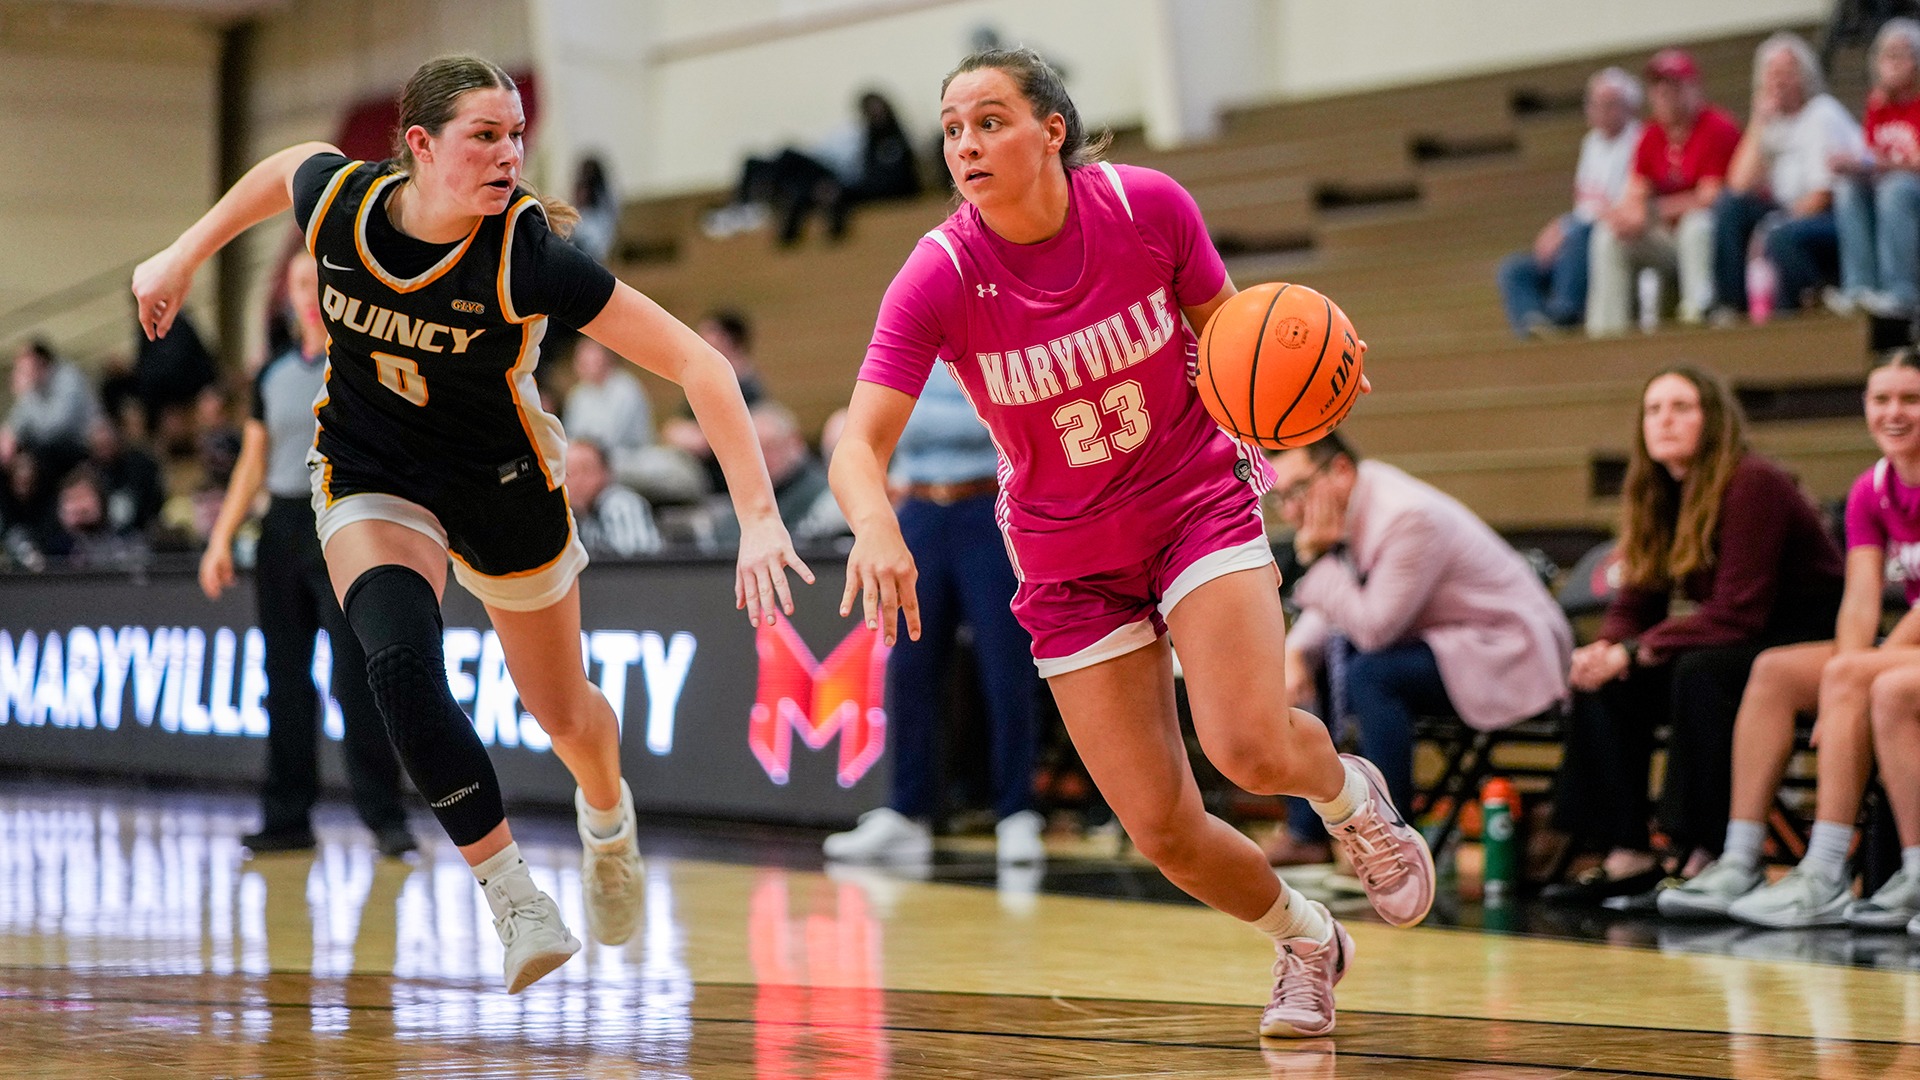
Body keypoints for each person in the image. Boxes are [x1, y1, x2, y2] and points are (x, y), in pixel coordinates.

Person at [132, 55, 810, 993]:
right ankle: (514, 898)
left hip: (500, 485)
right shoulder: (342, 206)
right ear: (419, 145)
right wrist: (180, 256)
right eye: (485, 136)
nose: (508, 155)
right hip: (371, 471)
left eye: (516, 136)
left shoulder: (525, 258)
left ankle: (607, 815)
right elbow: (287, 166)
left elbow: (700, 365)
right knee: (398, 665)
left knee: (562, 711)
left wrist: (760, 517)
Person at [829, 47, 1433, 1039]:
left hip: (1194, 500)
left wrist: (1310, 383)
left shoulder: (1145, 207)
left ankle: (1347, 798)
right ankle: (1307, 940)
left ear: (1051, 130)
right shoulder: (940, 272)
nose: (966, 144)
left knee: (1246, 745)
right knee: (1164, 830)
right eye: (952, 129)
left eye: (989, 121)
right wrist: (875, 524)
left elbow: (1239, 341)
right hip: (1069, 557)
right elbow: (858, 445)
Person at [1545, 366, 1844, 904]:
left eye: (1682, 407)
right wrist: (1606, 649)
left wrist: (1636, 651)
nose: (1665, 420)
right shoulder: (1659, 492)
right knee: (1605, 683)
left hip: (1802, 639)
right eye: (1654, 410)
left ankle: (1703, 851)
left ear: (1714, 419)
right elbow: (1637, 600)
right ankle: (1626, 853)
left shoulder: (1752, 481)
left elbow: (1739, 612)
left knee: (1699, 672)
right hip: (1737, 638)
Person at [1658, 351, 1920, 927]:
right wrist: (1846, 674)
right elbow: (1859, 600)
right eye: (1881, 399)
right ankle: (1740, 858)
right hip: (1906, 645)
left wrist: (1850, 676)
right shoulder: (1871, 489)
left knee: (1857, 678)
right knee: (1775, 671)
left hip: (1912, 643)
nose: (1894, 412)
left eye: (1911, 399)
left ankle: (1829, 870)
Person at [199, 248, 417, 859]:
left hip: (344, 524)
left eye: (316, 281)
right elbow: (253, 460)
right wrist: (221, 538)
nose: (308, 293)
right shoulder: (271, 376)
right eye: (298, 283)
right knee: (285, 680)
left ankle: (385, 816)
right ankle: (287, 816)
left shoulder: (360, 362)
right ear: (289, 297)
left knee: (356, 679)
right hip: (283, 530)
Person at [1264, 434, 1572, 866]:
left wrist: (1316, 560)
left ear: (1341, 471)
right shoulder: (1356, 502)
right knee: (1312, 664)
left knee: (1372, 673)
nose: (1291, 511)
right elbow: (1345, 605)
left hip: (1509, 649)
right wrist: (1295, 651)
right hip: (1452, 640)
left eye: (1298, 490)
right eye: (1279, 497)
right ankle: (1307, 832)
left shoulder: (1406, 516)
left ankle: (1390, 842)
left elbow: (1374, 627)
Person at [823, 362, 1044, 865]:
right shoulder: (908, 341)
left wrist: (909, 419)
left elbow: (1002, 418)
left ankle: (1017, 811)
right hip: (919, 510)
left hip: (988, 506)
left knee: (1005, 667)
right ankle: (908, 811)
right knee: (909, 666)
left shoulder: (990, 340)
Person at [1586, 49, 1743, 335]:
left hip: (1712, 238)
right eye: (1657, 86)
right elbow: (1636, 192)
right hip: (1667, 239)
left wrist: (1652, 212)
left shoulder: (1717, 127)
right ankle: (1607, 331)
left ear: (1694, 87)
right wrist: (1626, 217)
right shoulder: (1651, 134)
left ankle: (1698, 312)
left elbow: (1709, 197)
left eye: (1674, 85)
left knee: (1696, 224)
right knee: (1608, 236)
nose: (1664, 93)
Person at [1712, 32, 1865, 319]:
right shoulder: (1772, 124)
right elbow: (1738, 185)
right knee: (1730, 207)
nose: (1778, 81)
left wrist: (1771, 225)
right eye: (1771, 74)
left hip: (1836, 217)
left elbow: (1822, 196)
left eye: (1786, 72)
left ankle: (1795, 313)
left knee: (1780, 235)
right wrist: (1758, 122)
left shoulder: (1821, 113)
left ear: (1805, 76)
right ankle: (1731, 309)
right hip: (1789, 214)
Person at [1497, 67, 1642, 336]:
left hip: (1613, 235)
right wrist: (1563, 226)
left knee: (1580, 235)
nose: (1599, 111)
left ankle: (1564, 314)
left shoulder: (1640, 141)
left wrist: (1567, 227)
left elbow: (1621, 207)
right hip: (1580, 234)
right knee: (1514, 269)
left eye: (1609, 104)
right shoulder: (1592, 144)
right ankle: (1532, 325)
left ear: (1629, 106)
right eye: (1594, 103)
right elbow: (1585, 203)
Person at [1830, 18, 1920, 319]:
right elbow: (1871, 155)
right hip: (1889, 188)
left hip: (1907, 191)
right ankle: (1860, 289)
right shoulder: (1878, 105)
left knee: (1895, 188)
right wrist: (1853, 165)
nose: (1890, 63)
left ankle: (1902, 292)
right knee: (1848, 187)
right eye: (1885, 54)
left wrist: (1880, 164)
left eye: (1900, 54)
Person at [661, 309, 765, 494]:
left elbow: (708, 441)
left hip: (721, 482)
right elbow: (673, 429)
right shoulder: (708, 385)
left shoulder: (748, 390)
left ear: (728, 342)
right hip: (699, 472)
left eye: (707, 337)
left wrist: (693, 437)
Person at [2, 339, 97, 478]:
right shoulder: (36, 388)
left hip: (83, 446)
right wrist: (8, 435)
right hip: (56, 449)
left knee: (34, 456)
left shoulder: (68, 377)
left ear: (41, 362)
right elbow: (18, 420)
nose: (21, 372)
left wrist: (25, 394)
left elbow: (57, 427)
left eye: (24, 367)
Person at [566, 437, 662, 557]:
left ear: (606, 473)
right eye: (569, 472)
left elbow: (638, 561)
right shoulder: (578, 514)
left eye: (585, 470)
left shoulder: (621, 505)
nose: (576, 480)